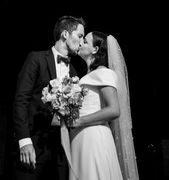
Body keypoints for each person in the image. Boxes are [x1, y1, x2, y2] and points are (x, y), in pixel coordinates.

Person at [13, 15, 85, 180]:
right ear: (65, 34)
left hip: (61, 152)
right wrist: (24, 140)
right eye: (79, 36)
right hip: (33, 147)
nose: (81, 42)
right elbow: (21, 100)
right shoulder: (36, 59)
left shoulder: (75, 72)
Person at [70, 32, 138, 180]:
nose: (80, 43)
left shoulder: (103, 73)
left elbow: (114, 110)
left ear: (95, 49)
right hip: (81, 138)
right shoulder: (85, 76)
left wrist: (78, 121)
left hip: (93, 138)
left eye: (85, 41)